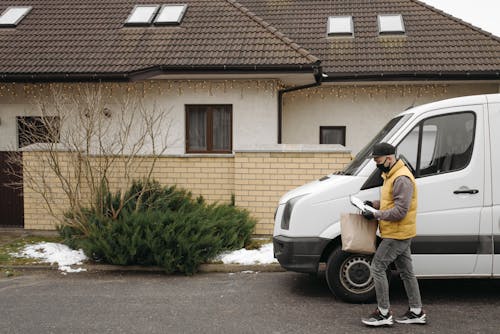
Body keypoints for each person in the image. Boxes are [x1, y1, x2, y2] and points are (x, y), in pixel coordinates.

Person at [360, 142, 426, 327]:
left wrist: (375, 214)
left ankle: (383, 313)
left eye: (377, 160)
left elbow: (399, 212)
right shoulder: (391, 174)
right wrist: (373, 204)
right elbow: (391, 201)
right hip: (399, 232)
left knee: (377, 268)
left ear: (389, 158)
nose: (376, 163)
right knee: (406, 272)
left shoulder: (401, 178)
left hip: (398, 233)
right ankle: (416, 311)